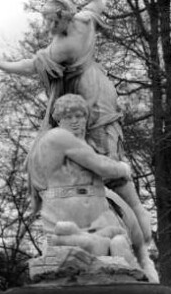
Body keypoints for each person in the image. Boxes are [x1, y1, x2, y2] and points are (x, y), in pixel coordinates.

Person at [0, 0, 152, 245]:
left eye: (49, 19)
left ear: (61, 17)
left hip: (88, 101)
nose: (46, 25)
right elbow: (97, 3)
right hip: (100, 88)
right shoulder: (83, 21)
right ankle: (136, 229)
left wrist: (0, 63)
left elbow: (31, 66)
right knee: (108, 160)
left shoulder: (61, 48)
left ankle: (129, 227)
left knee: (100, 161)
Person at [25, 94, 158, 282]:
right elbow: (99, 165)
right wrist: (123, 168)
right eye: (68, 117)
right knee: (89, 247)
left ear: (86, 118)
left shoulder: (84, 143)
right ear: (58, 120)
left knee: (120, 242)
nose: (74, 121)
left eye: (79, 116)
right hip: (66, 211)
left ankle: (142, 264)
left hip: (97, 211)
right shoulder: (58, 137)